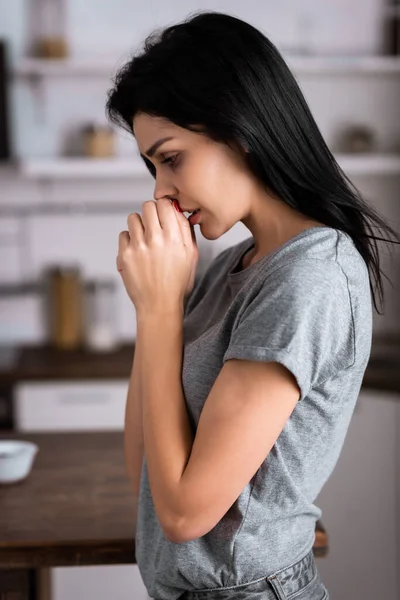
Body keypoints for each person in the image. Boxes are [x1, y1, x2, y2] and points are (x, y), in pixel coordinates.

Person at [106, 11, 400, 600]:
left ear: (237, 128)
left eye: (170, 158)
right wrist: (153, 306)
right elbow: (146, 468)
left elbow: (186, 515)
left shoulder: (310, 275)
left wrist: (164, 310)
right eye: (152, 167)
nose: (159, 190)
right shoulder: (226, 268)